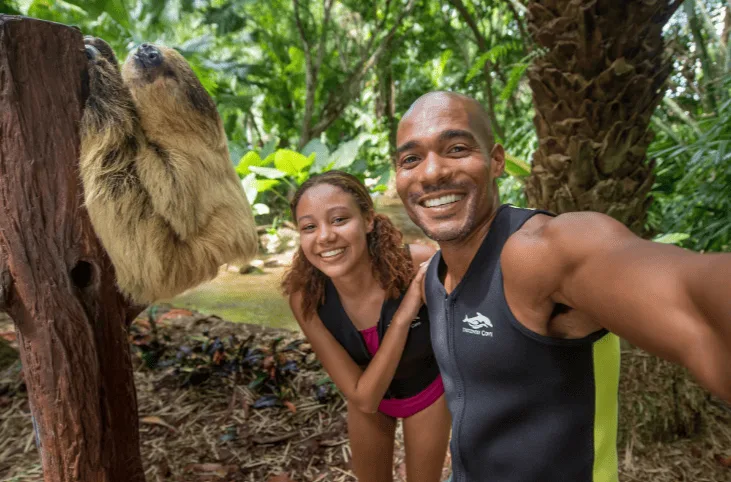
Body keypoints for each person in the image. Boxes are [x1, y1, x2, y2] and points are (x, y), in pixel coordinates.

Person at [393, 91, 731, 482]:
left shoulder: (536, 254)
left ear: (496, 160)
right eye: (411, 159)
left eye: (456, 148)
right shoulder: (436, 274)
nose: (432, 173)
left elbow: (692, 300)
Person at [282, 170, 451, 482]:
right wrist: (404, 314)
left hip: (427, 390)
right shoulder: (306, 299)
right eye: (309, 227)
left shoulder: (418, 264)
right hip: (369, 399)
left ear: (368, 221)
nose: (325, 236)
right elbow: (364, 398)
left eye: (339, 219)